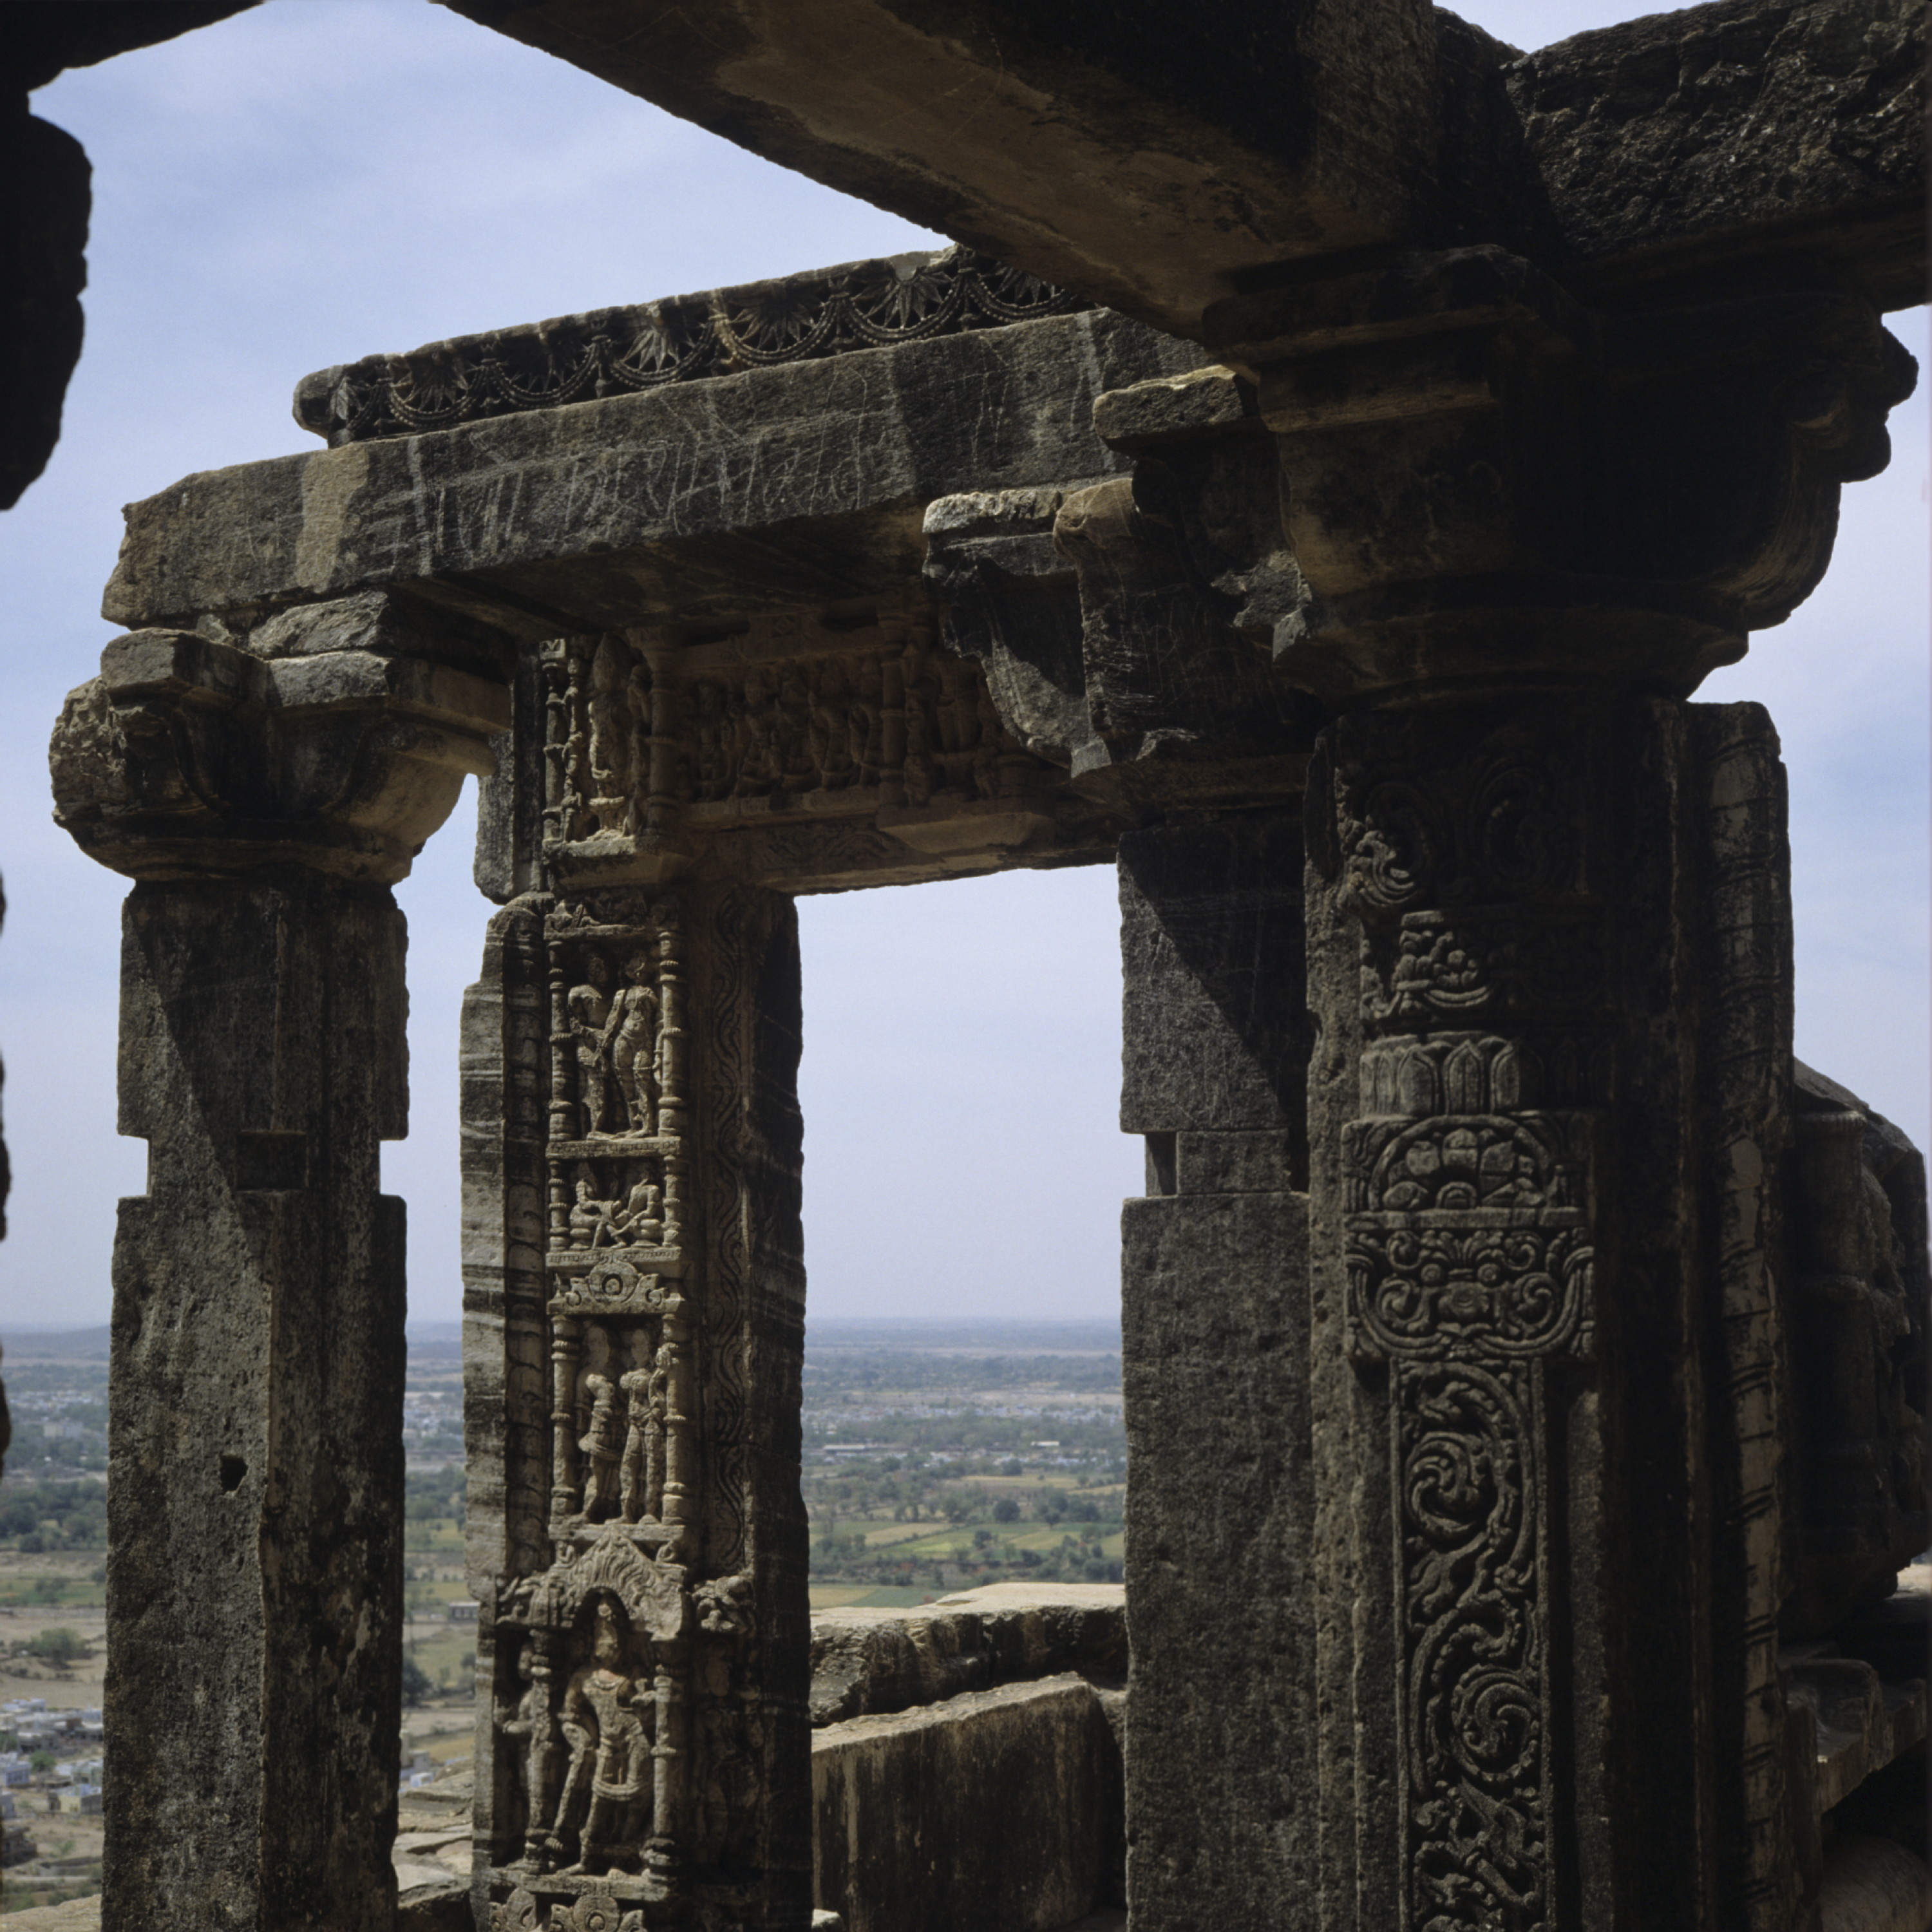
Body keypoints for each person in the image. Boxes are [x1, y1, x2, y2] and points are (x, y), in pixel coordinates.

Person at [548, 1603, 651, 1873]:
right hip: (605, 1744)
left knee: (635, 1803)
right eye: (605, 1637)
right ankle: (587, 1858)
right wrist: (582, 1739)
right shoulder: (585, 1677)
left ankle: (623, 1858)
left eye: (616, 1639)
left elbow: (650, 1706)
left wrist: (647, 1703)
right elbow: (569, 1715)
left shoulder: (634, 1675)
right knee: (599, 1801)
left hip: (635, 1742)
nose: (612, 1646)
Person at [601, 949, 659, 1137]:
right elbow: (614, 1018)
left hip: (644, 1040)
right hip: (624, 1038)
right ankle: (634, 1125)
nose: (638, 972)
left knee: (643, 1079)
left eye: (642, 967)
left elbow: (660, 1018)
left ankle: (648, 1126)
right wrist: (605, 1042)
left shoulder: (653, 990)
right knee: (626, 1083)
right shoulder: (623, 993)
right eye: (634, 968)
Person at [566, 954, 614, 1137]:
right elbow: (576, 1026)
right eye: (600, 968)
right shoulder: (578, 993)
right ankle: (595, 1130)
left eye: (606, 968)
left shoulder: (611, 994)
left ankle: (608, 1127)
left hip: (609, 1045)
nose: (605, 973)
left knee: (611, 1089)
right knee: (596, 1087)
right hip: (589, 1046)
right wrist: (596, 1035)